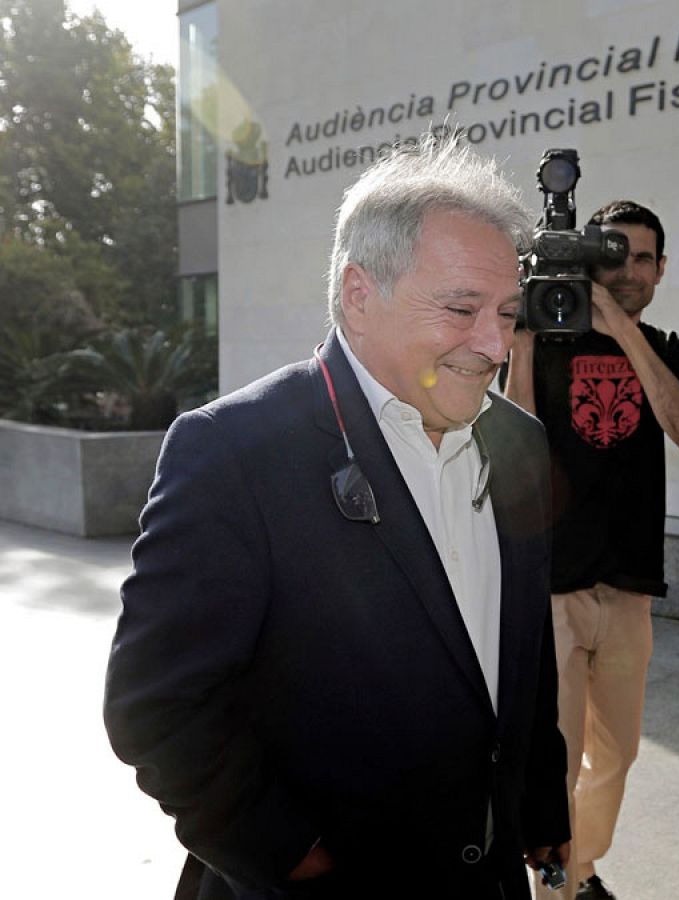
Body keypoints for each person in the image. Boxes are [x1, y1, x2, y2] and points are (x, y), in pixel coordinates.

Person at [103, 130, 570, 899]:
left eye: (507, 313)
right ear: (360, 294)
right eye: (460, 309)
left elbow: (523, 658)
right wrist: (295, 857)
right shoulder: (233, 453)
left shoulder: (519, 444)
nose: (494, 345)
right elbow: (156, 707)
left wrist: (538, 803)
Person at [505, 200, 679, 900]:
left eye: (645, 257)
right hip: (553, 588)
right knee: (555, 759)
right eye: (614, 254)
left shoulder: (669, 348)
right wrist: (526, 339)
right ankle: (554, 884)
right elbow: (515, 449)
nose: (630, 269)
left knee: (617, 757)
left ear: (661, 269)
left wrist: (621, 328)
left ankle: (577, 864)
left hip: (627, 588)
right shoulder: (541, 341)